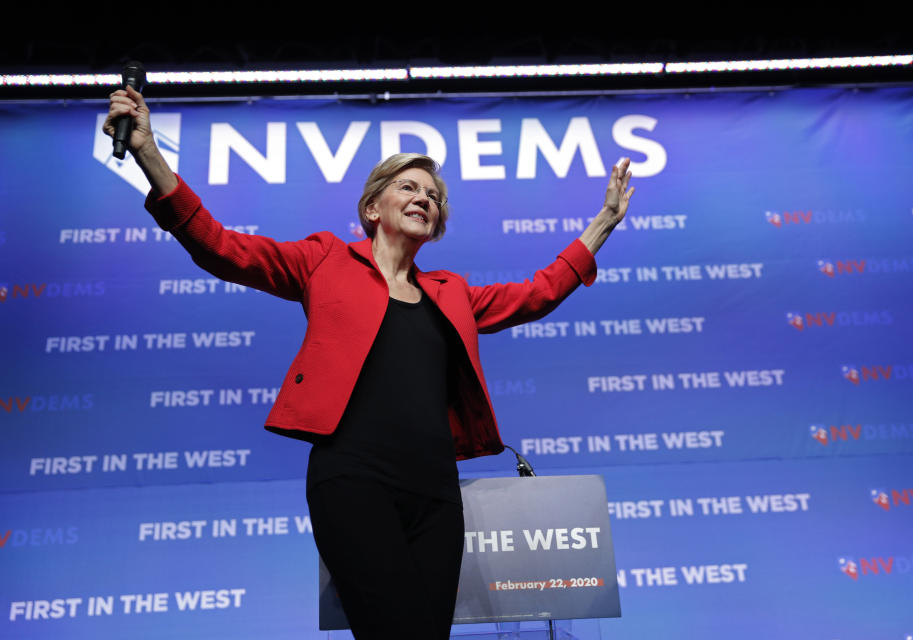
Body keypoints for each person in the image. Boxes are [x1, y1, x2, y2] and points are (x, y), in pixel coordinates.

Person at [104, 86, 634, 640]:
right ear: (372, 207)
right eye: (409, 186)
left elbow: (538, 292)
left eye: (434, 195)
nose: (425, 198)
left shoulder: (451, 292)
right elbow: (220, 246)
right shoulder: (325, 261)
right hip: (353, 478)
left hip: (435, 492)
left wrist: (604, 222)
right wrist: (148, 154)